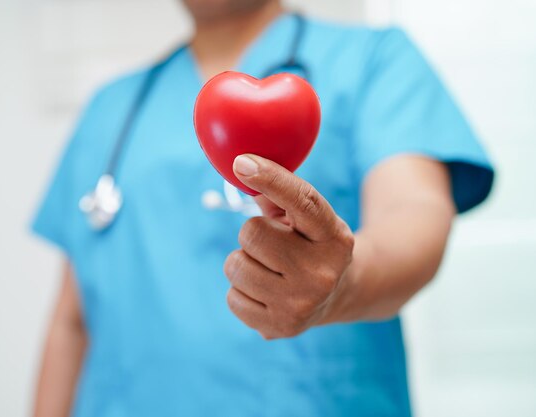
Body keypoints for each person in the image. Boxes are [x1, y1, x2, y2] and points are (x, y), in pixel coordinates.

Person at [31, 1, 494, 416]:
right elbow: (71, 323)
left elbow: (414, 215)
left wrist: (341, 284)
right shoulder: (112, 110)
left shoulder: (375, 61)